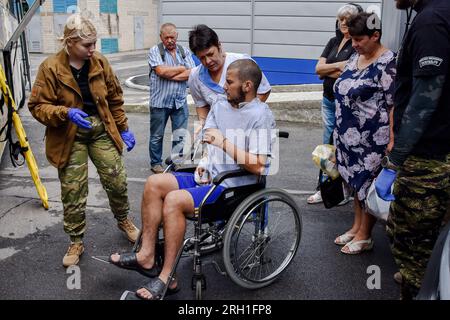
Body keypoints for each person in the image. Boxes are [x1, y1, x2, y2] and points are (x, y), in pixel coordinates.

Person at [109, 59, 275, 300]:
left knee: (174, 201)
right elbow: (208, 141)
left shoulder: (261, 115)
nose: (224, 86)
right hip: (211, 176)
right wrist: (205, 163)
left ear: (247, 86)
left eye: (229, 82)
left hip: (235, 185)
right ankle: (146, 255)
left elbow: (260, 166)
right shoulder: (220, 105)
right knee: (154, 183)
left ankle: (166, 277)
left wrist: (224, 144)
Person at [27, 14, 139, 267]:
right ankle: (76, 240)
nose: (92, 50)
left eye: (94, 43)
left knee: (116, 179)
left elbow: (114, 99)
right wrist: (64, 112)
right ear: (69, 43)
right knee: (73, 190)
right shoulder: (50, 67)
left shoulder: (99, 62)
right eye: (86, 45)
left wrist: (123, 128)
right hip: (70, 135)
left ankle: (124, 220)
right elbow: (37, 106)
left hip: (101, 130)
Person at [375, 0, 450, 299]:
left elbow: (425, 99)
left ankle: (417, 283)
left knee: (411, 242)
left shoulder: (432, 21)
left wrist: (394, 161)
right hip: (438, 151)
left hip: (429, 157)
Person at [333, 12, 396, 254]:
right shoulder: (356, 57)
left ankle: (365, 235)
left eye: (359, 40)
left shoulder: (388, 63)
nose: (354, 44)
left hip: (372, 140)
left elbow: (394, 104)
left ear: (375, 35)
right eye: (352, 39)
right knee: (355, 184)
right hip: (348, 138)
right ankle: (356, 226)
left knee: (368, 185)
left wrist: (392, 138)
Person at [308, 3, 362, 205]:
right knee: (327, 146)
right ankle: (324, 188)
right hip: (328, 100)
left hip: (345, 103)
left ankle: (341, 190)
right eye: (341, 20)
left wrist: (328, 69)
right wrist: (337, 66)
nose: (343, 24)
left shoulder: (356, 44)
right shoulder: (333, 41)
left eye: (348, 20)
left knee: (342, 146)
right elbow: (317, 69)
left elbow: (349, 72)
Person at [188, 24, 271, 132]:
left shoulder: (242, 63)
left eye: (210, 54)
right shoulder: (195, 77)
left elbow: (264, 91)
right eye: (202, 58)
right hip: (219, 134)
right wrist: (204, 127)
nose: (208, 61)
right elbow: (202, 106)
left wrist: (242, 117)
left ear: (219, 46)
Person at [148, 23, 196, 174]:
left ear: (177, 36)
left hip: (179, 101)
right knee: (157, 136)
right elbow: (161, 71)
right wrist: (181, 69)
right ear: (161, 37)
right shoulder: (155, 51)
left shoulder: (183, 51)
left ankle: (177, 162)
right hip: (160, 102)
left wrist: (172, 74)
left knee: (180, 134)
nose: (169, 40)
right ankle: (156, 163)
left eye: (172, 37)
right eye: (166, 37)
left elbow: (193, 72)